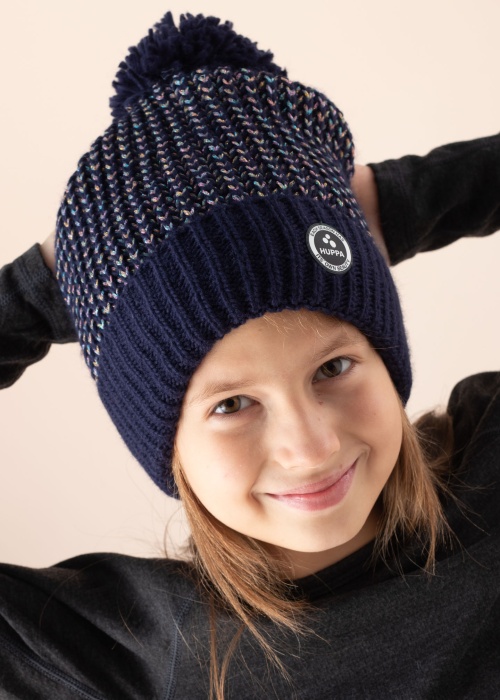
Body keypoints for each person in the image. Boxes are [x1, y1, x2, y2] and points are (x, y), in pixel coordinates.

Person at [1, 11, 499, 700]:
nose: (312, 446)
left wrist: (387, 207)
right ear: (167, 443)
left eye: (333, 368)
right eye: (233, 404)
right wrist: (41, 294)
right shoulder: (135, 652)